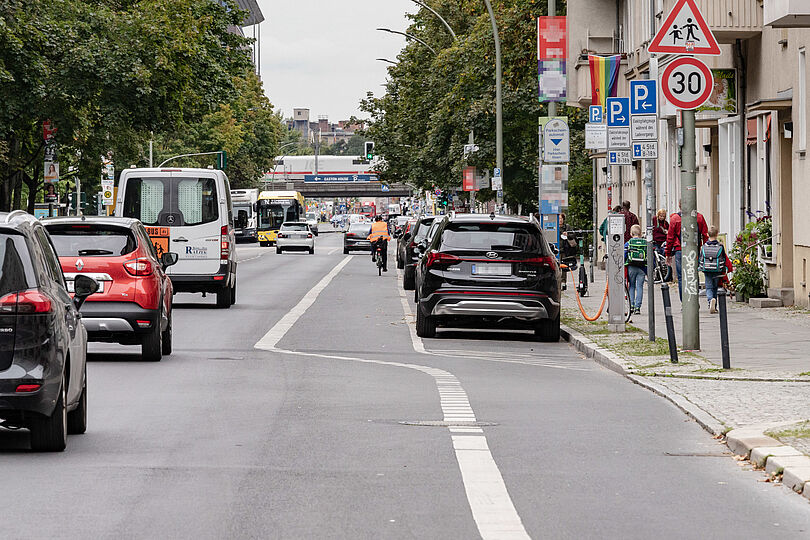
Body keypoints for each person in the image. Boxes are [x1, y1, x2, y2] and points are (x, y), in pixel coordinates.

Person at [665, 200, 709, 301]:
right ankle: (694, 301)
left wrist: (668, 254)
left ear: (679, 206)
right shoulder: (699, 217)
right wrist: (704, 249)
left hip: (679, 250)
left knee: (681, 278)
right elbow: (705, 235)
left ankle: (684, 302)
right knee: (693, 275)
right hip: (695, 251)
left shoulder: (675, 219)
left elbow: (670, 238)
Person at [699, 226, 733, 314]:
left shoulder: (704, 247)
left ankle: (710, 301)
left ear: (707, 234)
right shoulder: (720, 246)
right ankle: (715, 305)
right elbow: (724, 258)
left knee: (709, 287)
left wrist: (700, 267)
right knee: (715, 287)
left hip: (707, 269)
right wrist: (725, 268)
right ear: (717, 234)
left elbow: (701, 258)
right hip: (717, 269)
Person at [625, 224, 647, 315]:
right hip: (642, 268)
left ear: (631, 233)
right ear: (640, 233)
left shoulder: (628, 243)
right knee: (640, 287)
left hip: (631, 267)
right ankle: (638, 307)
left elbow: (624, 253)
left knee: (632, 286)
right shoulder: (645, 243)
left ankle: (632, 306)